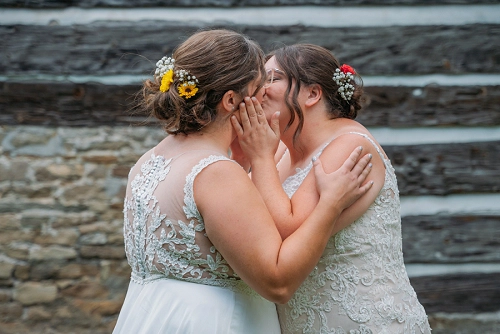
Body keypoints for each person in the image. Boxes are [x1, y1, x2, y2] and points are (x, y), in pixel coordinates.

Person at [112, 30, 375, 334]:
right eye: (259, 87)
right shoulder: (216, 172)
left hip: (151, 315)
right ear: (230, 100)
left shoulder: (148, 161)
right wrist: (330, 205)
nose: (264, 96)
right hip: (215, 322)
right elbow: (277, 283)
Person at [231, 44, 432, 333]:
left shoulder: (351, 145)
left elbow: (285, 232)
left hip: (366, 322)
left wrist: (259, 158)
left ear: (313, 93)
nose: (259, 90)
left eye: (272, 79)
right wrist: (244, 157)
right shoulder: (280, 152)